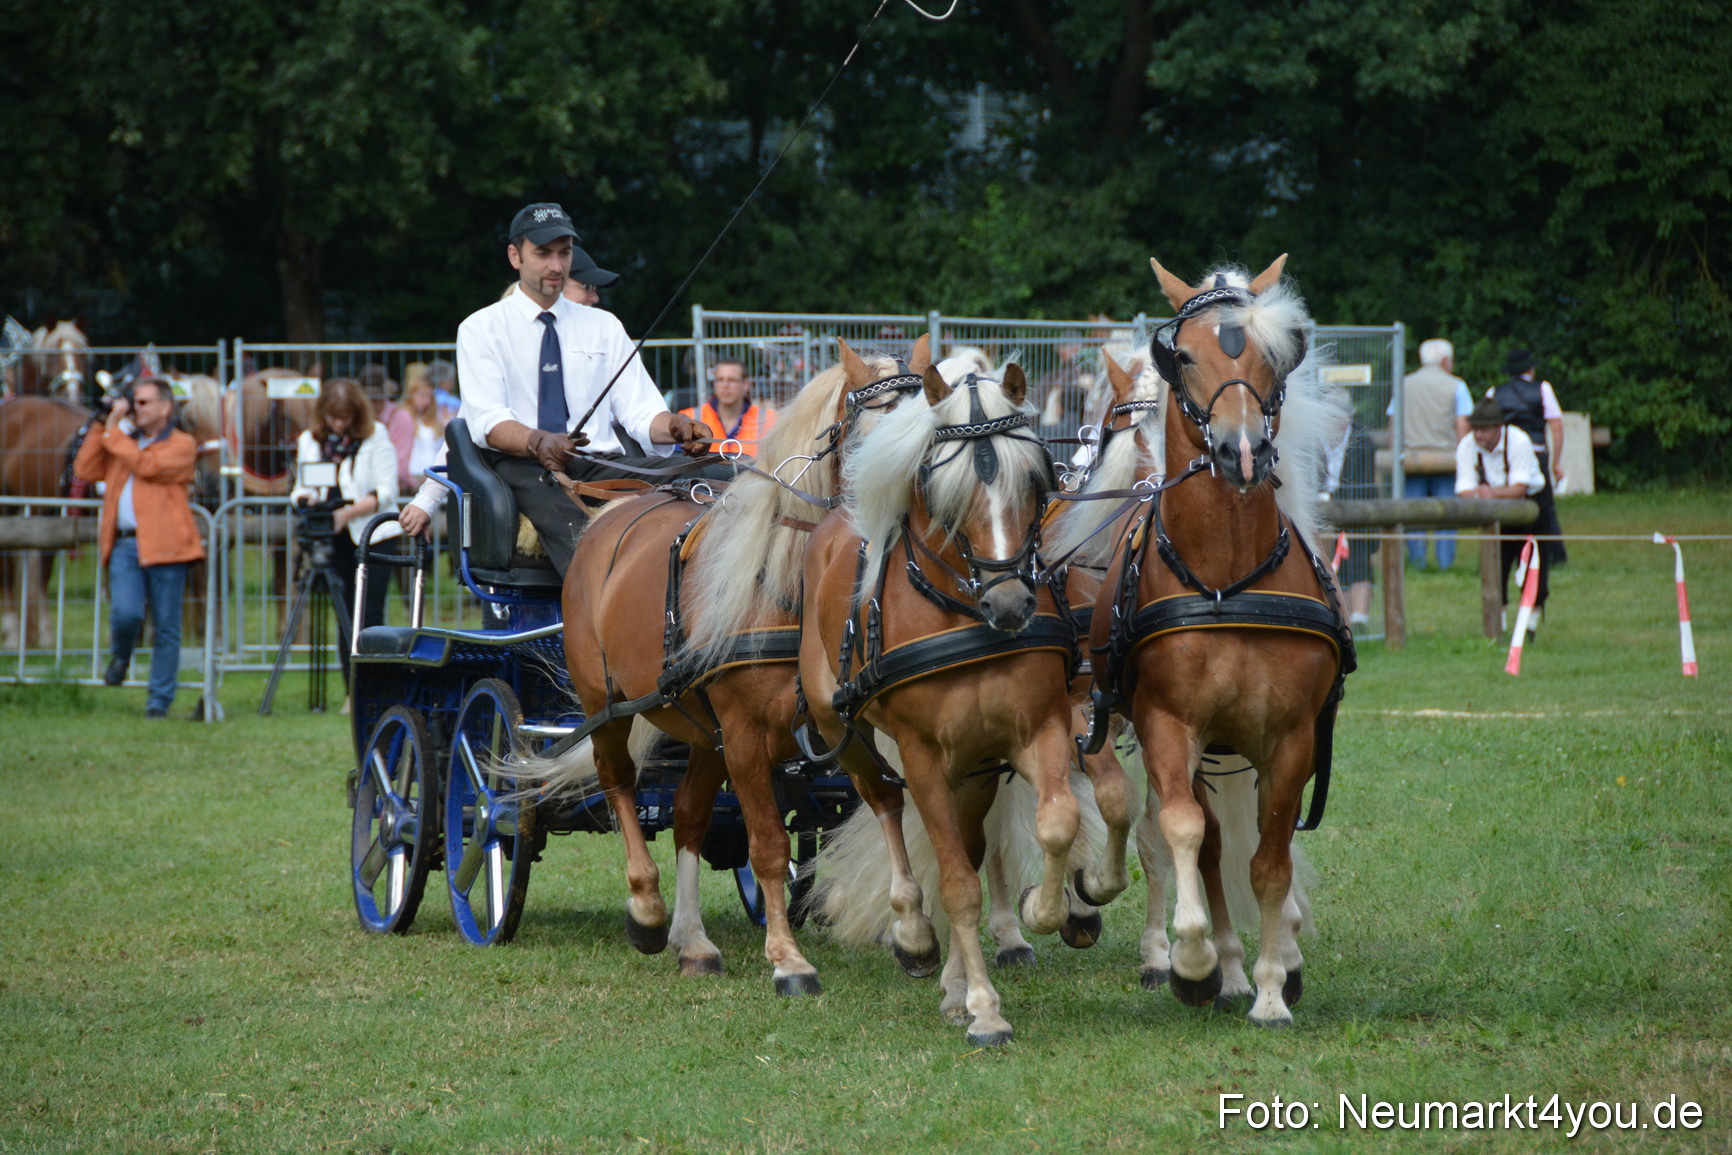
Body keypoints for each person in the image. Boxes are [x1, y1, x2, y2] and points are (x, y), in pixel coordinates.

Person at [452, 203, 714, 572]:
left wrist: (674, 425)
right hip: (522, 467)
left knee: (729, 475)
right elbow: (489, 422)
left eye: (564, 253)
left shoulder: (604, 325)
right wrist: (540, 441)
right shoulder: (480, 329)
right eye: (543, 253)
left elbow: (639, 410)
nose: (557, 266)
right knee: (589, 544)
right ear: (515, 256)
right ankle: (616, 604)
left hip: (597, 462)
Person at [74, 376, 205, 717]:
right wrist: (101, 425)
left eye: (144, 402)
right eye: (134, 401)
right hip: (124, 545)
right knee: (125, 614)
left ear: (166, 407)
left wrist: (114, 432)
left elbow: (148, 466)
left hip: (168, 545)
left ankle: (158, 704)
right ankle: (121, 653)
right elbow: (85, 469)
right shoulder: (122, 440)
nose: (136, 407)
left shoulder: (182, 443)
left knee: (166, 627)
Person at [290, 378, 403, 688]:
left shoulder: (376, 435)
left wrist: (347, 513)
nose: (337, 424)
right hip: (333, 539)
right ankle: (351, 690)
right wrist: (307, 500)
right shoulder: (310, 440)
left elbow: (386, 490)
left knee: (368, 614)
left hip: (374, 535)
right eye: (332, 417)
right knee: (344, 616)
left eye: (344, 418)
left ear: (356, 414)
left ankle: (375, 685)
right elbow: (302, 486)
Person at [1456, 395, 1548, 627]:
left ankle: (1530, 628)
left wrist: (1489, 493)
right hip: (1495, 515)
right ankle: (1500, 627)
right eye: (1475, 429)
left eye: (1483, 430)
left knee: (1533, 569)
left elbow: (1519, 488)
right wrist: (1487, 494)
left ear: (1499, 427)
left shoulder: (1518, 441)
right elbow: (1463, 490)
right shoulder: (1467, 446)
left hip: (1532, 507)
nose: (1477, 435)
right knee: (1496, 569)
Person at [1393, 338, 1473, 568]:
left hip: (1410, 459)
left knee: (1413, 514)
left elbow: (1393, 422)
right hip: (1446, 459)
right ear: (1446, 360)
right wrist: (1466, 460)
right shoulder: (1456, 385)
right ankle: (1445, 563)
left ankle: (1417, 562)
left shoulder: (1404, 384)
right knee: (1448, 514)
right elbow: (1462, 426)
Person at [1489, 348, 1567, 572]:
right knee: (1544, 507)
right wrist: (1556, 462)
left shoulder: (1495, 392)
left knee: (1508, 505)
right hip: (1536, 452)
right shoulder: (1542, 389)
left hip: (1507, 455)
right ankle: (1551, 556)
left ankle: (1508, 555)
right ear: (1530, 369)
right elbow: (1556, 425)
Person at [1323, 417, 1379, 631]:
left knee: (1357, 556)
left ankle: (1358, 619)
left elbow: (1365, 485)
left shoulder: (1364, 442)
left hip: (1355, 511)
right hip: (1321, 511)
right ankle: (1340, 617)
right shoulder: (1312, 442)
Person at [680, 358, 777, 457]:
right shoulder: (688, 418)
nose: (725, 386)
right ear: (714, 384)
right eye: (720, 380)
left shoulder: (769, 419)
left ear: (746, 384)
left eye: (732, 380)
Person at [359, 363, 417, 495]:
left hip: (397, 489)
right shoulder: (356, 418)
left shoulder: (401, 417)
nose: (371, 405)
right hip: (360, 490)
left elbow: (400, 467)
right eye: (367, 399)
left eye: (376, 399)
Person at [405, 372, 446, 488]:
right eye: (422, 396)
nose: (426, 401)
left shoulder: (436, 418)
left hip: (433, 474)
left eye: (429, 397)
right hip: (412, 475)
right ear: (411, 395)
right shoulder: (404, 418)